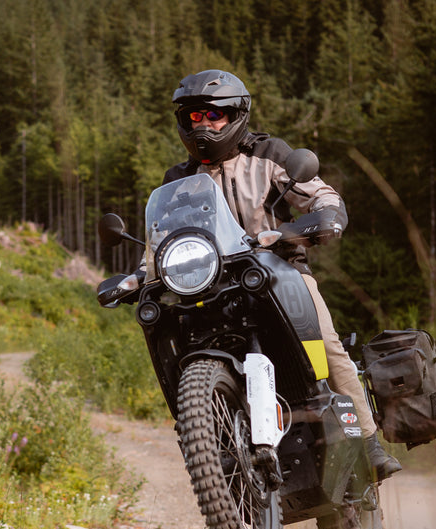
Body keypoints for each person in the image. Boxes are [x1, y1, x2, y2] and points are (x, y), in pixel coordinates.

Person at [164, 69, 401, 481]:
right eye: (193, 118)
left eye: (212, 115)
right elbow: (163, 236)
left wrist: (322, 217)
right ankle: (207, 436)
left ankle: (367, 441)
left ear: (236, 114)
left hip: (279, 272)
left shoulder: (270, 154)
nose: (202, 125)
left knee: (327, 347)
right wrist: (141, 271)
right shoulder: (179, 179)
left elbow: (319, 193)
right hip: (213, 287)